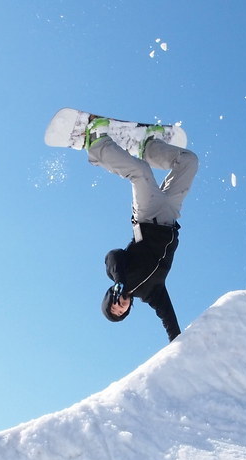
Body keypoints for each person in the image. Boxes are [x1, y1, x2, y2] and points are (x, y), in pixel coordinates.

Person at [84, 117, 199, 342]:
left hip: (147, 217)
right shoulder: (151, 294)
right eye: (121, 313)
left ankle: (97, 146)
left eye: (113, 307)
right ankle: (151, 147)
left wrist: (119, 280)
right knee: (189, 161)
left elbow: (112, 255)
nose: (120, 307)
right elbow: (168, 317)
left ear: (110, 299)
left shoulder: (120, 272)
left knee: (140, 173)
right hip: (170, 216)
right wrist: (178, 345)